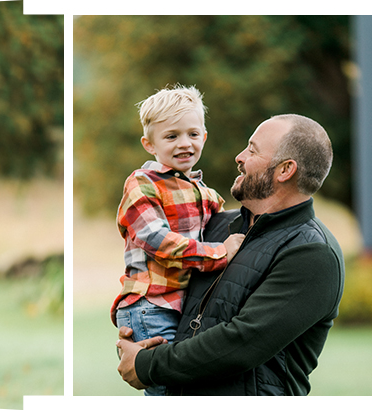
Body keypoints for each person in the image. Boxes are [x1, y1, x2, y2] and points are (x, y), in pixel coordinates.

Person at [117, 113, 344, 395]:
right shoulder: (216, 227)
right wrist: (139, 331)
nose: (239, 156)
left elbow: (242, 344)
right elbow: (163, 276)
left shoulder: (313, 253)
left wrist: (146, 364)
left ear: (285, 170)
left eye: (252, 150)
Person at [110, 85, 244, 396]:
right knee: (168, 390)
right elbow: (157, 240)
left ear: (204, 137)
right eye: (171, 136)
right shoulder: (141, 185)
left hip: (180, 305)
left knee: (185, 386)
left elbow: (222, 227)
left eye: (192, 134)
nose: (184, 143)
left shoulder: (205, 193)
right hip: (151, 305)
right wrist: (219, 254)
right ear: (149, 144)